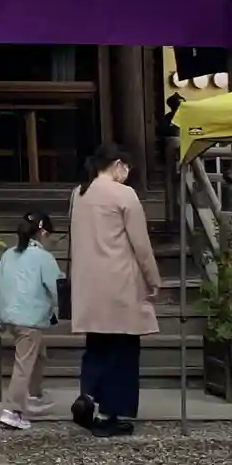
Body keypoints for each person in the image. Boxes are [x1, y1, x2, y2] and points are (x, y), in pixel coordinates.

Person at [69, 143, 160, 437]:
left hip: (88, 285)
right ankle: (113, 414)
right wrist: (153, 279)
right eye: (127, 168)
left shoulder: (79, 193)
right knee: (123, 350)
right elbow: (141, 244)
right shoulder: (124, 194)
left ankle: (88, 397)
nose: (127, 174)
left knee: (96, 346)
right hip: (120, 283)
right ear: (118, 164)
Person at [0, 210, 60, 432]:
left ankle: (33, 396)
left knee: (38, 355)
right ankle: (12, 411)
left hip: (12, 318)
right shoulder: (43, 258)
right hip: (30, 321)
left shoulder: (8, 255)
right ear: (43, 233)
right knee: (24, 363)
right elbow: (57, 288)